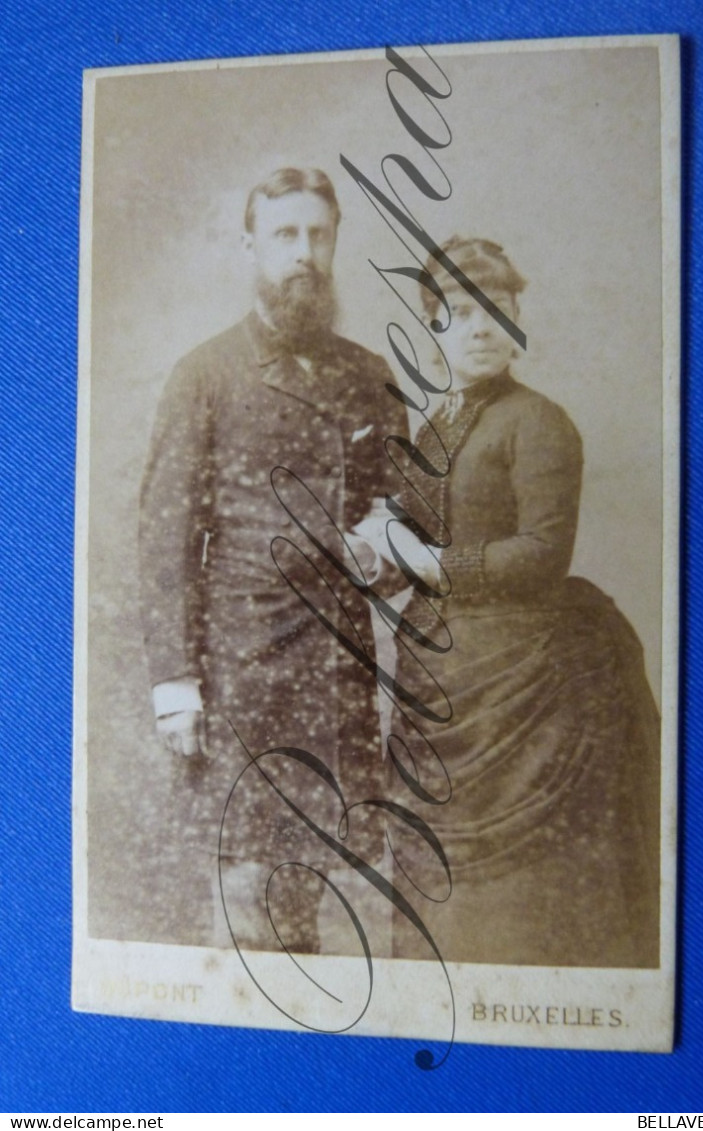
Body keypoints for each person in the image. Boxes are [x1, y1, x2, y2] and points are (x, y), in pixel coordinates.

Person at [374, 236, 660, 967]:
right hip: (442, 676)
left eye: (495, 309)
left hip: (528, 684)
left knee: (527, 902)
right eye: (461, 310)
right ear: (434, 323)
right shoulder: (436, 427)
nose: (479, 327)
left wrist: (434, 562)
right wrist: (374, 549)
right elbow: (409, 532)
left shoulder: (540, 421)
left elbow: (542, 553)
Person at [139, 168, 404, 953]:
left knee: (308, 890)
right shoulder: (206, 374)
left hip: (334, 668)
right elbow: (165, 541)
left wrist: (379, 547)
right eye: (286, 234)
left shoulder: (367, 374)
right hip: (242, 665)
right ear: (251, 243)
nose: (304, 253)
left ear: (335, 241)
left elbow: (400, 509)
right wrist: (174, 684)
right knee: (244, 893)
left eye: (318, 234)